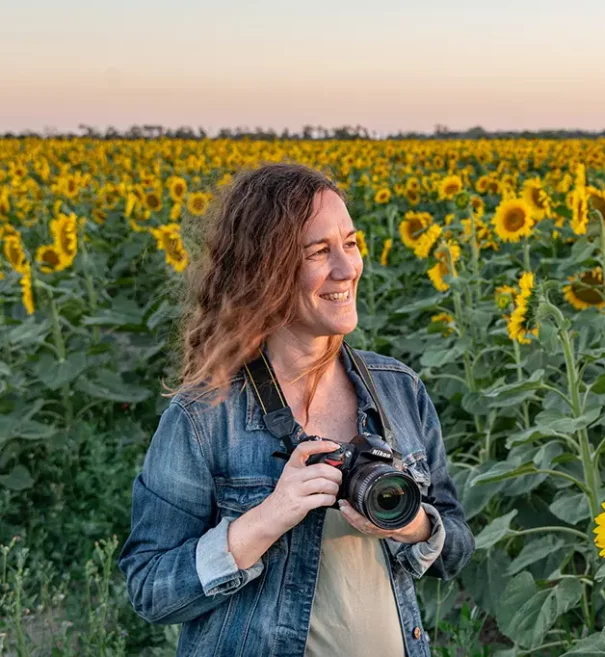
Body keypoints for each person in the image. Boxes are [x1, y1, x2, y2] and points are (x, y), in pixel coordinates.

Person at [118, 162, 475, 657]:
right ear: (265, 271)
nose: (348, 268)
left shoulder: (398, 390)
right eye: (319, 252)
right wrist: (265, 520)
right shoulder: (204, 416)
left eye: (350, 243)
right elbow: (149, 588)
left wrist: (409, 523)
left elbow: (454, 546)